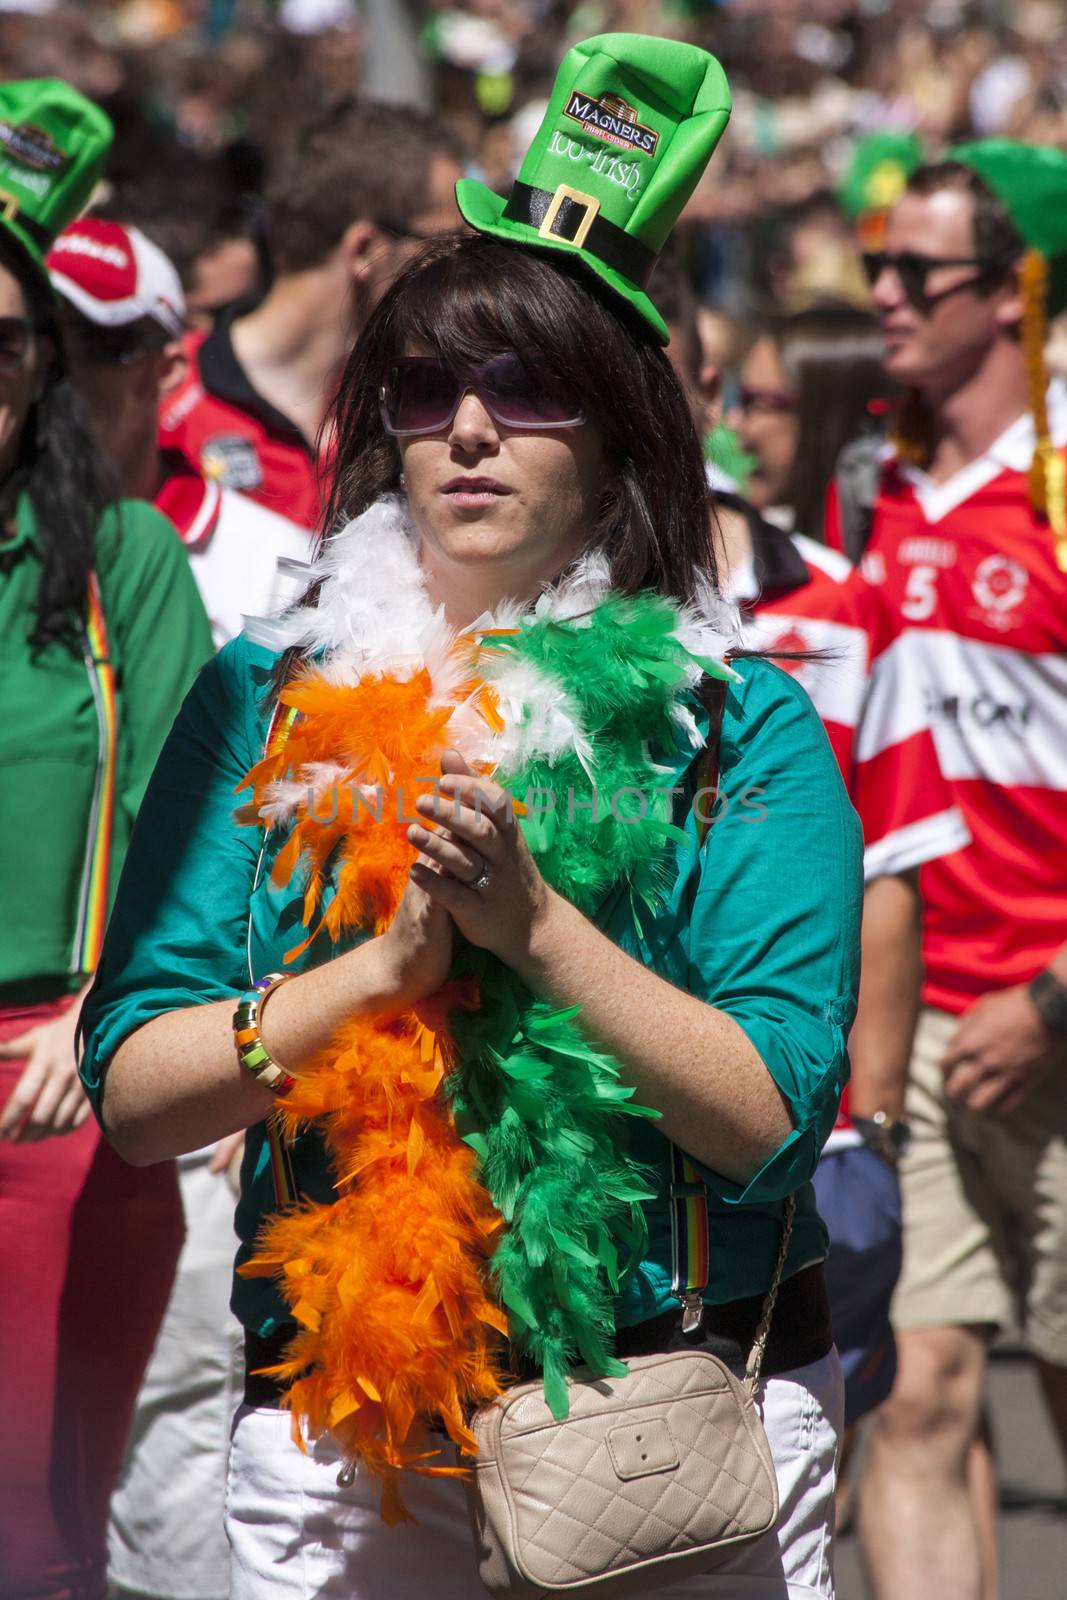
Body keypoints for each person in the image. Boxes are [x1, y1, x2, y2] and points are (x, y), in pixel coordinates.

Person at [81, 36, 861, 1600]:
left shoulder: (739, 724)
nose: (468, 427)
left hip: (656, 1427)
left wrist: (539, 934)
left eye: (530, 386)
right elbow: (138, 1089)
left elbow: (774, 1121)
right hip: (340, 1433)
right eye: (426, 386)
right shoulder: (264, 702)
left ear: (625, 428)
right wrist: (369, 982)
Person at [659, 273, 968, 1436]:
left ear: (696, 389)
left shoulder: (834, 603)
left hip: (801, 1136)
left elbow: (890, 868)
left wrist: (872, 1121)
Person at [0, 79, 214, 1600]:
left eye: (5, 342)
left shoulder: (120, 557)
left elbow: (184, 814)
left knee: (35, 1544)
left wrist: (107, 1003)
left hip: (52, 1089)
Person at [854, 142, 1067, 1600]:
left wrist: (1051, 1000)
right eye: (873, 261)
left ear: (1009, 297)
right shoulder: (864, 460)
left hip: (1051, 1017)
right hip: (916, 1017)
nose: (875, 292)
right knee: (912, 1395)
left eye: (909, 272)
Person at [159, 98, 463, 529]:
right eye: (447, 246)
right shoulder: (163, 398)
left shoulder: (425, 412)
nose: (462, 269)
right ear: (366, 249)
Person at [49, 217, 311, 647]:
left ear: (167, 370)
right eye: (46, 339)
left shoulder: (277, 568)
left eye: (97, 345)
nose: (64, 370)